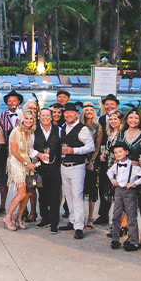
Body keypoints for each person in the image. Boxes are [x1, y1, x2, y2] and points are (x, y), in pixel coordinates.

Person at [58, 103, 96, 240]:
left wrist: (74, 150)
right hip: (64, 166)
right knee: (68, 196)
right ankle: (72, 221)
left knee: (77, 196)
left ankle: (79, 226)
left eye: (71, 113)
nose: (68, 115)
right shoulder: (63, 128)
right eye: (66, 113)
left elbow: (90, 147)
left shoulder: (83, 129)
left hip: (77, 166)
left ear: (76, 114)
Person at [106, 141, 141, 252]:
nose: (118, 154)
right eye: (115, 153)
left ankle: (133, 240)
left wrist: (134, 183)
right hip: (118, 191)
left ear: (126, 152)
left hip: (129, 191)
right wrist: (112, 179)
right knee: (116, 215)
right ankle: (115, 239)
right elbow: (109, 172)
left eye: (120, 151)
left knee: (131, 215)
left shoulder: (133, 165)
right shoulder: (115, 165)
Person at [120, 108, 141, 247]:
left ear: (140, 120)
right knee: (128, 205)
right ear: (127, 119)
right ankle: (131, 234)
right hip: (125, 173)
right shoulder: (121, 134)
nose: (133, 121)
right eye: (130, 118)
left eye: (136, 118)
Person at [2, 110, 37, 231]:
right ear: (22, 119)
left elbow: (31, 150)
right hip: (17, 162)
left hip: (27, 162)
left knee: (28, 192)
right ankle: (8, 217)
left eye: (31, 119)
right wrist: (27, 163)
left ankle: (19, 216)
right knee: (21, 192)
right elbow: (14, 152)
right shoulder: (16, 131)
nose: (28, 121)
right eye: (26, 118)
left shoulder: (30, 132)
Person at [31, 108, 62, 233]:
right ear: (39, 117)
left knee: (54, 195)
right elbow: (29, 148)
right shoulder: (34, 131)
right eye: (43, 115)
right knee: (42, 195)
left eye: (48, 115)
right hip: (40, 167)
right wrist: (39, 154)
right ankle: (44, 218)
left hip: (55, 167)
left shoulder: (59, 130)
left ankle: (54, 222)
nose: (45, 117)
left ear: (51, 116)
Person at [94, 94, 120, 225]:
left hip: (118, 161)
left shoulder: (122, 119)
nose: (109, 106)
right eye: (107, 104)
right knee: (103, 187)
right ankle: (103, 215)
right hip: (104, 158)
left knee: (117, 189)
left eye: (112, 104)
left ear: (117, 105)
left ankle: (119, 220)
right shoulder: (101, 119)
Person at [0, 90, 23, 214]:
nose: (12, 103)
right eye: (9, 101)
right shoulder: (1, 116)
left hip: (20, 152)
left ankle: (24, 209)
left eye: (14, 100)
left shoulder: (24, 116)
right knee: (3, 180)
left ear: (19, 102)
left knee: (21, 181)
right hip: (5, 152)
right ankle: (2, 205)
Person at [98, 110, 124, 233]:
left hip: (120, 168)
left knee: (119, 197)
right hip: (109, 167)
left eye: (115, 119)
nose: (113, 121)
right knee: (110, 195)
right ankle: (115, 223)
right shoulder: (110, 133)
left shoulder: (122, 134)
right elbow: (109, 148)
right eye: (111, 119)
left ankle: (120, 225)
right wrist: (105, 153)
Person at [81, 103, 103, 229]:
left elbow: (98, 145)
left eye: (91, 110)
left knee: (92, 189)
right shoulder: (79, 125)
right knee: (79, 189)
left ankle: (90, 217)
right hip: (79, 158)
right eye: (86, 110)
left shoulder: (97, 126)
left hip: (92, 160)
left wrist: (92, 160)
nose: (89, 112)